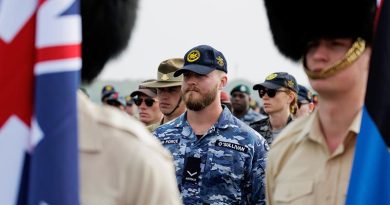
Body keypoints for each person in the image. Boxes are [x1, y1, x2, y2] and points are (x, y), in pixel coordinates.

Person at [263, 0, 376, 204]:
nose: (318, 55)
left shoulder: (382, 142)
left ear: (367, 52)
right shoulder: (284, 148)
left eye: (335, 44)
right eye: (311, 44)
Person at [79, 0, 182, 204]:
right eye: (138, 100)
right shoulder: (145, 141)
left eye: (171, 90)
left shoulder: (137, 152)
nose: (143, 105)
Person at [153, 45, 269, 205]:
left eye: (200, 75)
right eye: (187, 75)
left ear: (222, 82)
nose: (192, 81)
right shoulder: (159, 139)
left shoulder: (251, 143)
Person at [250, 72, 298, 145]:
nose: (264, 97)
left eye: (271, 92)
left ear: (290, 97)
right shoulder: (253, 131)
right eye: (262, 92)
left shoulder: (302, 132)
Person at [141, 58, 186, 131]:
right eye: (161, 89)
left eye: (172, 90)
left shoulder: (200, 134)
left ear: (186, 91)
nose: (164, 96)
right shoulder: (146, 134)